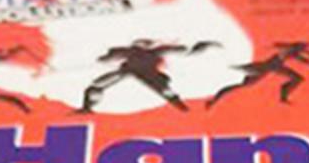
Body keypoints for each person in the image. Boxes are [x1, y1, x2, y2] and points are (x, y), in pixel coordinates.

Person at [79, 38, 218, 113]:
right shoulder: (128, 51)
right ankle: (87, 107)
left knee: (166, 91)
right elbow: (105, 58)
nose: (142, 46)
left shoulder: (158, 50)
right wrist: (107, 57)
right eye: (140, 44)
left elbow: (188, 51)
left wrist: (204, 45)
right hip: (129, 70)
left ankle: (183, 109)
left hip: (148, 72)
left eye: (145, 44)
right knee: (96, 86)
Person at [207, 40, 309, 107]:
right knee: (241, 83)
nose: (305, 49)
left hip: (271, 68)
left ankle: (283, 95)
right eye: (303, 47)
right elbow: (307, 60)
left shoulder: (291, 51)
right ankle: (215, 98)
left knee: (297, 78)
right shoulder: (290, 51)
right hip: (267, 68)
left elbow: (308, 59)